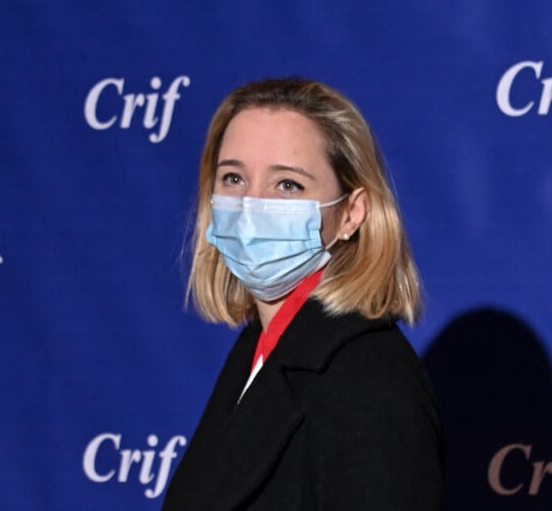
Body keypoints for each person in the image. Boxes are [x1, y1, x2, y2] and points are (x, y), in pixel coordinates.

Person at [161, 77, 444, 510]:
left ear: (351, 213)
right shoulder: (261, 348)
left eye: (287, 184)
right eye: (233, 178)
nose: (251, 207)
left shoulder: (371, 383)